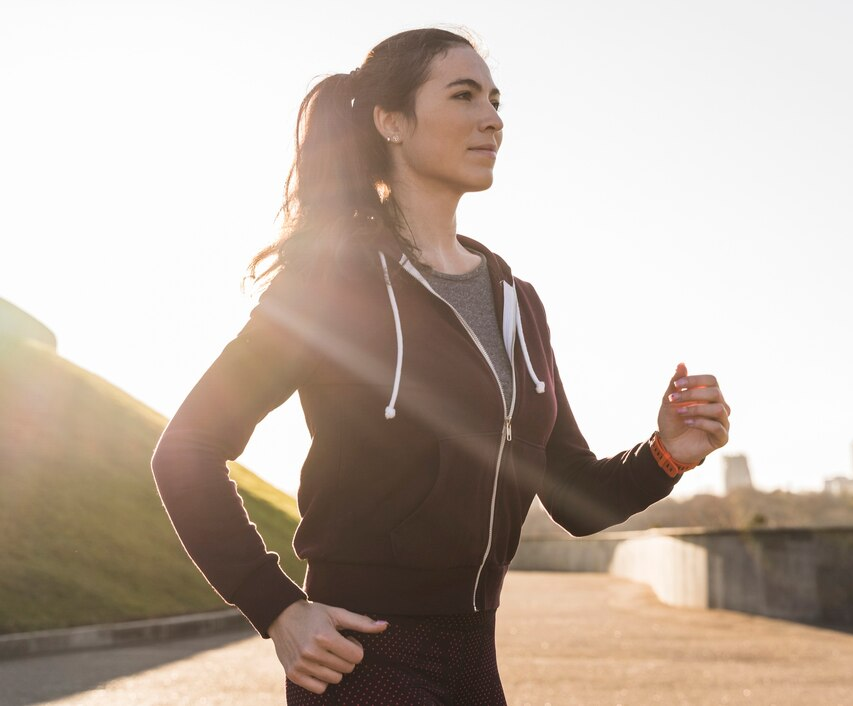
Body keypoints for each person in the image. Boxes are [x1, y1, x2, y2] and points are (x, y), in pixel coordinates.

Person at [151, 27, 730, 705]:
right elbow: (186, 448)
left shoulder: (520, 304)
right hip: (360, 660)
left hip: (473, 660)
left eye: (495, 99)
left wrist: (669, 452)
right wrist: (277, 607)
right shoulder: (333, 281)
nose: (492, 119)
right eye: (463, 96)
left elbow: (574, 497)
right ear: (390, 121)